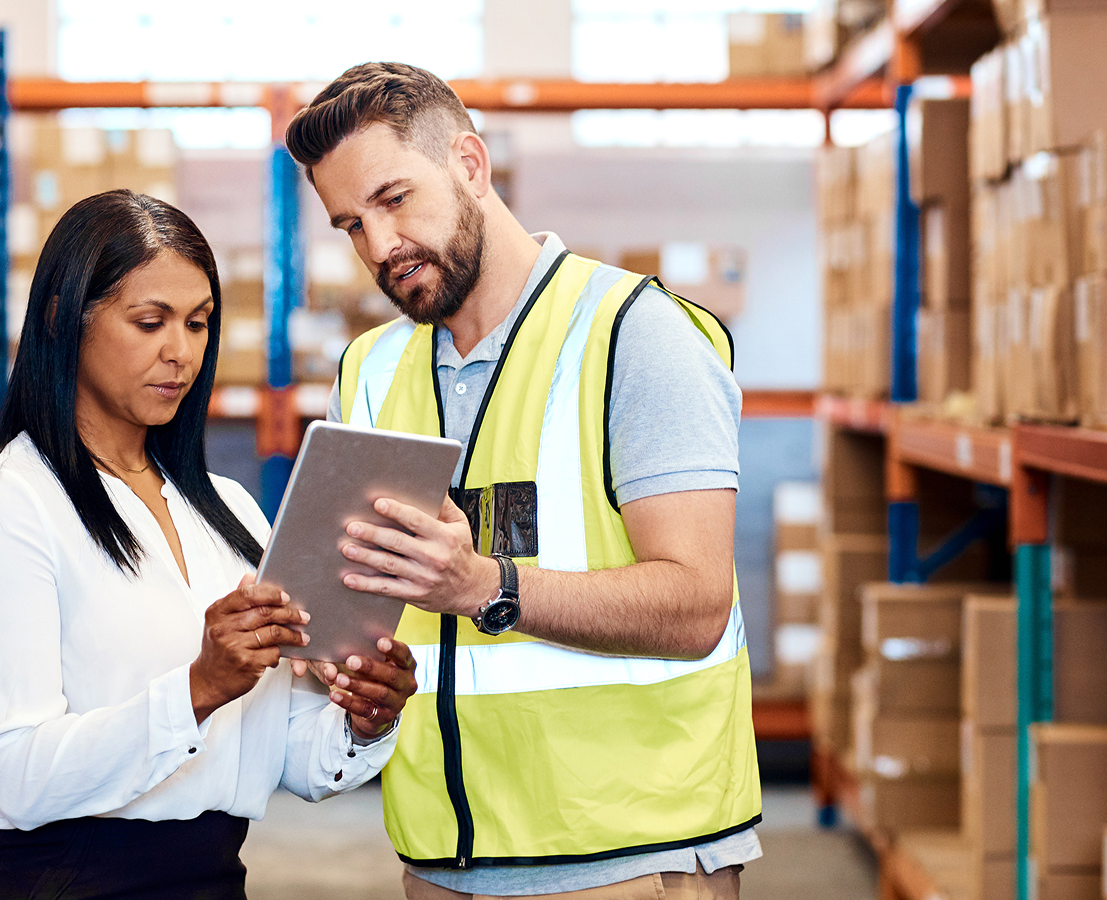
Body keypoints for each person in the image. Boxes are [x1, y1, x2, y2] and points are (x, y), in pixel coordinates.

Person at [284, 63, 760, 899]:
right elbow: (363, 612)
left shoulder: (633, 335)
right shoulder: (370, 369)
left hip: (629, 859)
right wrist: (328, 659)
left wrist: (483, 586)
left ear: (470, 164)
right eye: (351, 225)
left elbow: (695, 606)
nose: (380, 246)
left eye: (395, 200)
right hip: (442, 862)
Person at [0, 189, 418, 900]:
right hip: (52, 879)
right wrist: (198, 688)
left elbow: (281, 757)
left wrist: (365, 718)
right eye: (149, 321)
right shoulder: (10, 506)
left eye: (197, 324)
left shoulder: (229, 513)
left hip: (208, 873)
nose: (180, 352)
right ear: (65, 319)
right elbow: (19, 776)